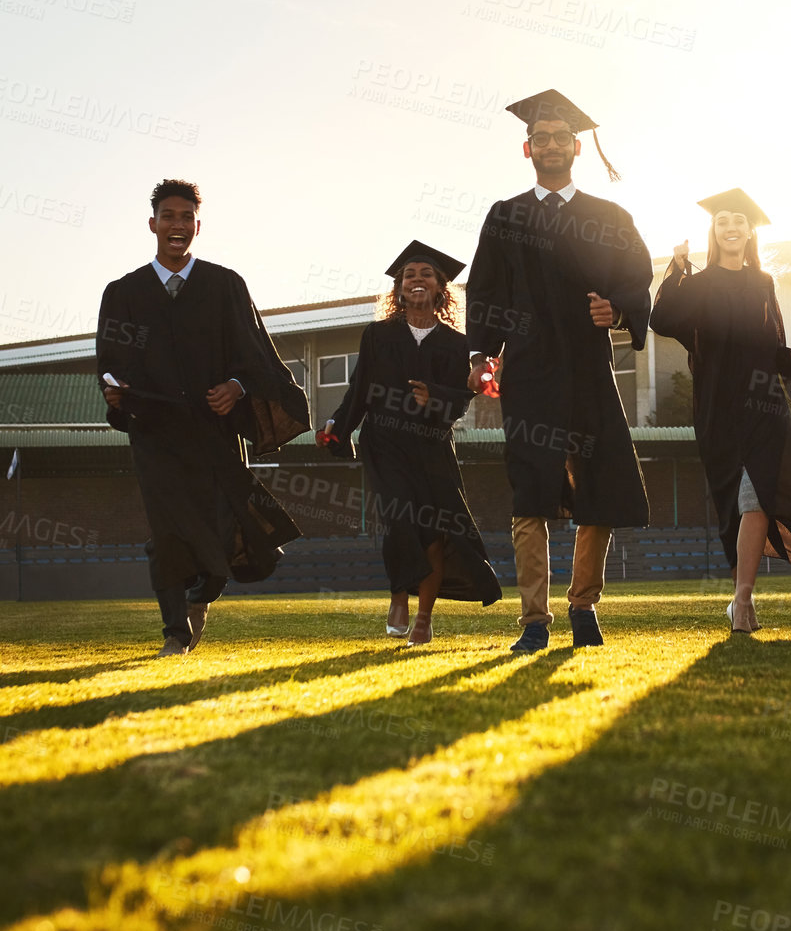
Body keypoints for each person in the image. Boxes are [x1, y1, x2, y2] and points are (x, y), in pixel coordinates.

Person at [465, 89, 652, 651]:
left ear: (577, 146)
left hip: (590, 371)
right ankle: (534, 620)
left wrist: (617, 309)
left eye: (559, 138)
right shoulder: (506, 216)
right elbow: (485, 290)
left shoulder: (610, 216)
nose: (550, 145)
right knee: (531, 490)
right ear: (528, 149)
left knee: (599, 486)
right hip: (529, 370)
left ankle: (584, 606)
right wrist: (480, 355)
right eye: (539, 138)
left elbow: (637, 277)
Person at [96, 179, 309, 658]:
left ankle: (204, 591)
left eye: (185, 217)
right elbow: (110, 358)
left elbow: (254, 354)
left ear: (197, 225)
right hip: (156, 431)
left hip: (215, 430)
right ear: (153, 224)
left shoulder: (224, 285)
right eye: (167, 216)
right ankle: (175, 632)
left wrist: (236, 388)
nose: (177, 225)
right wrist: (114, 390)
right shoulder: (124, 292)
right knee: (167, 530)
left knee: (221, 525)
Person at [650, 187, 791, 632]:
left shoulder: (763, 283)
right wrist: (676, 270)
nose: (731, 227)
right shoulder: (696, 285)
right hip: (719, 406)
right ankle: (742, 597)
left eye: (739, 220)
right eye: (723, 221)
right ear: (714, 231)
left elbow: (772, 343)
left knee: (756, 497)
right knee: (735, 503)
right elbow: (662, 320)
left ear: (749, 230)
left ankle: (742, 600)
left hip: (766, 407)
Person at [322, 241, 502, 645]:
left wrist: (434, 397)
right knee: (400, 519)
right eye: (409, 275)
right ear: (399, 289)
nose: (416, 280)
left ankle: (423, 618)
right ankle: (398, 595)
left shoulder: (458, 344)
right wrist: (338, 424)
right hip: (385, 443)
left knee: (435, 531)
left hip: (433, 445)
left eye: (425, 274)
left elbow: (463, 398)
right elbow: (360, 389)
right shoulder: (378, 335)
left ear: (441, 287)